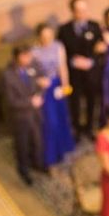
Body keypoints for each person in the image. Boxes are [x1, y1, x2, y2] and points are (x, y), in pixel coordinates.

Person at [58, 0, 106, 140]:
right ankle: (77, 129)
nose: (82, 13)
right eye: (79, 10)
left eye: (84, 10)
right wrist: (73, 61)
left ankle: (90, 127)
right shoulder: (64, 30)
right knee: (75, 103)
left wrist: (91, 61)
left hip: (91, 73)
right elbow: (61, 53)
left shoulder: (95, 26)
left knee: (92, 100)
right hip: (74, 74)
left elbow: (101, 49)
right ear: (73, 11)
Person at [2, 45, 47, 186]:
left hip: (35, 113)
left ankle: (37, 163)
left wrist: (42, 87)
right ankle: (24, 169)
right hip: (21, 116)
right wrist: (30, 102)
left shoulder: (33, 65)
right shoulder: (8, 76)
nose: (29, 59)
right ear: (18, 57)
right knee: (22, 144)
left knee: (37, 140)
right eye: (26, 56)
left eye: (29, 56)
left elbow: (41, 78)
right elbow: (11, 101)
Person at [32, 23, 75, 167]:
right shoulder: (34, 51)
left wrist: (65, 86)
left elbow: (62, 67)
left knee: (62, 117)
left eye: (49, 36)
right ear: (39, 37)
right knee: (50, 122)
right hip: (44, 89)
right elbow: (31, 73)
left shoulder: (58, 46)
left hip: (57, 86)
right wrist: (39, 81)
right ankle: (51, 155)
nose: (47, 39)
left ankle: (64, 148)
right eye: (44, 37)